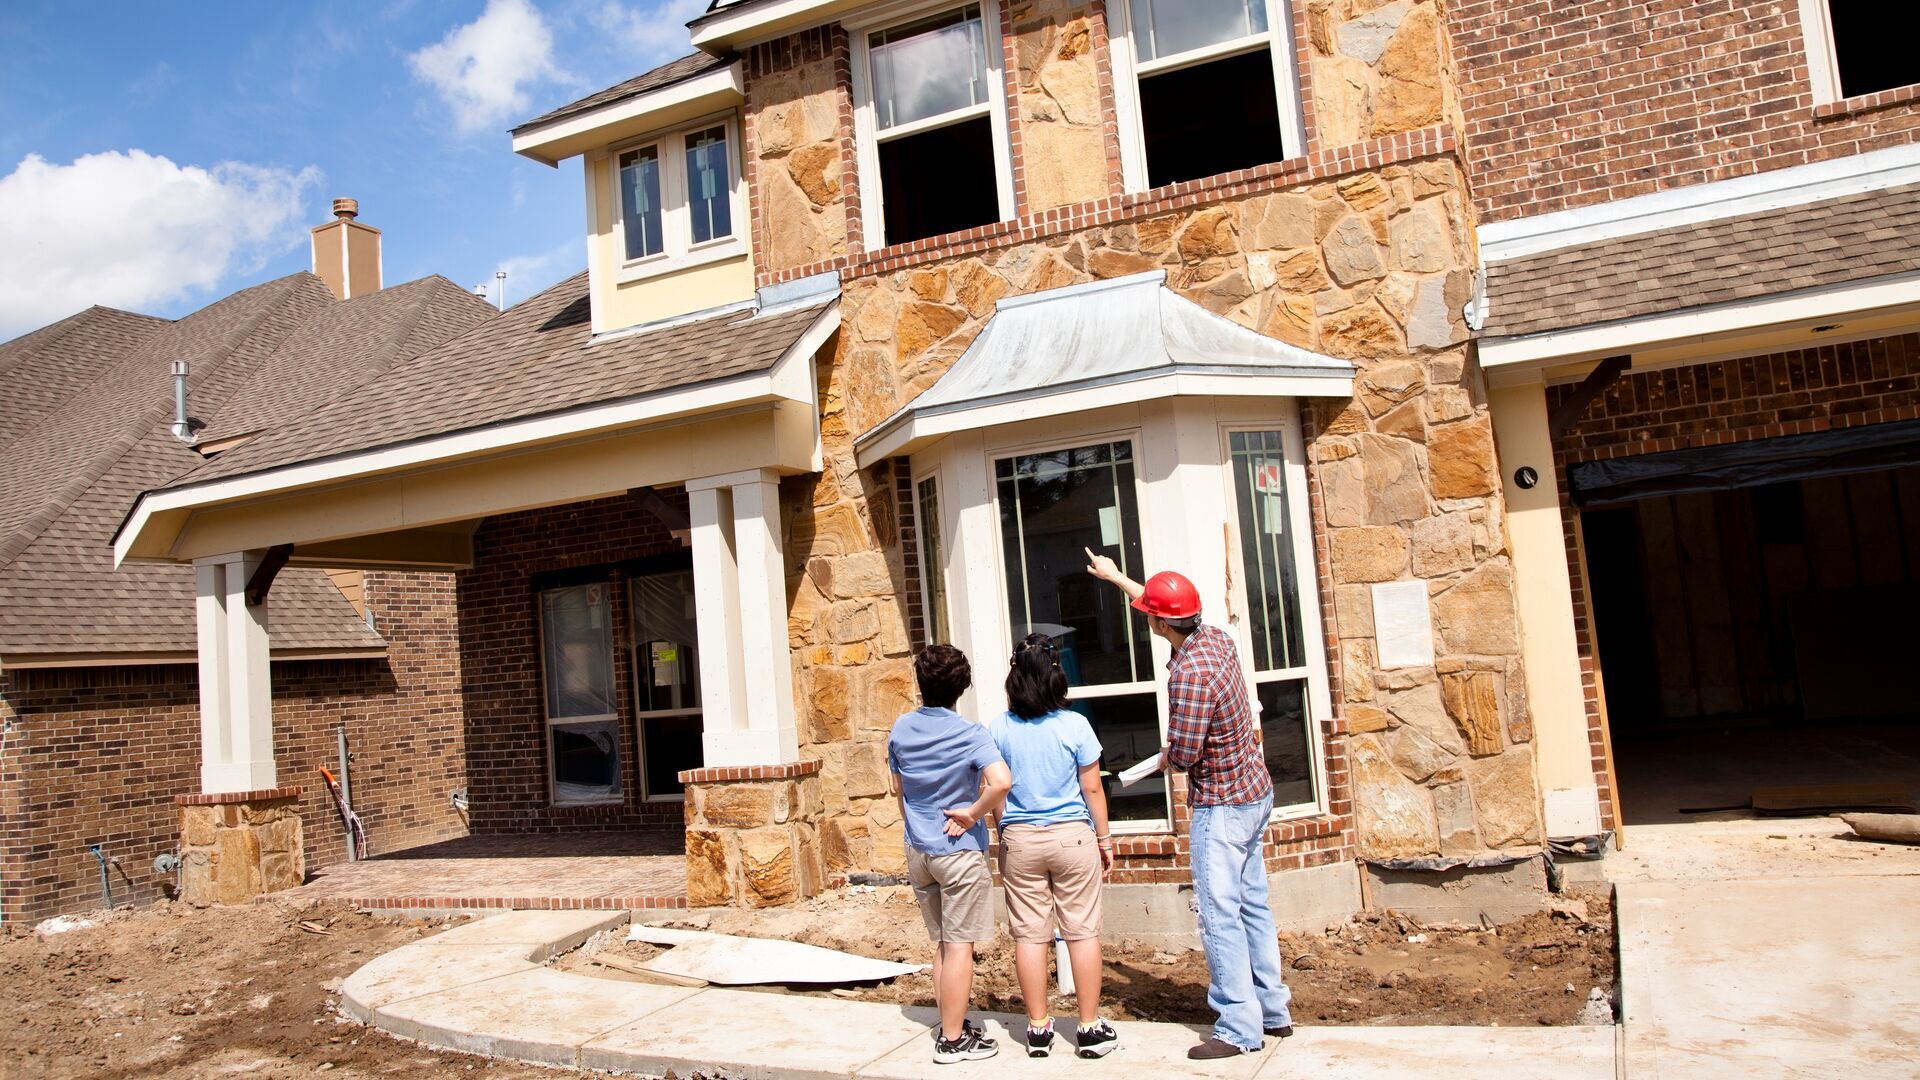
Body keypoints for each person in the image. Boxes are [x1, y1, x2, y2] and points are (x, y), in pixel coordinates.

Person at [1083, 549, 1293, 1060]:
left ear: (1159, 625)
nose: (1148, 620)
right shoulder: (1215, 638)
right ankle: (1273, 1011)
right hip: (1255, 792)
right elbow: (1160, 604)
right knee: (1252, 906)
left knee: (1218, 916)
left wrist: (1156, 759)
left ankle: (1240, 1029)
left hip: (1221, 807)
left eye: (1150, 617)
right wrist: (1118, 579)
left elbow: (1184, 753)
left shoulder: (1188, 675)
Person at [987, 633, 1118, 1060]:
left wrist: (1003, 828)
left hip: (1021, 840)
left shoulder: (1000, 727)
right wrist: (1105, 838)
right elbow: (1092, 787)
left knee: (1030, 935)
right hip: (1072, 836)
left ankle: (1039, 1029)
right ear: (1056, 675)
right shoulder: (1075, 725)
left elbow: (993, 787)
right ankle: (1088, 1027)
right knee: (1080, 933)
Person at [887, 643, 1013, 1064]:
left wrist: (916, 825)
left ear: (920, 684)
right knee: (960, 947)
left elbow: (897, 789)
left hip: (918, 850)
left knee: (942, 944)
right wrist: (971, 815)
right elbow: (1001, 782)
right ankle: (954, 1041)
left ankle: (950, 1025)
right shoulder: (970, 733)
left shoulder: (901, 728)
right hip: (957, 851)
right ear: (963, 686)